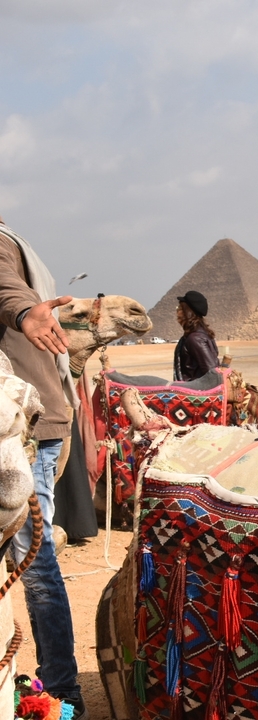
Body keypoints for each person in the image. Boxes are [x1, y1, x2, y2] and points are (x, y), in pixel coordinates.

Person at [0, 216, 87, 719]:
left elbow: (5, 288)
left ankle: (63, 692)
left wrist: (25, 312)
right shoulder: (22, 242)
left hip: (21, 431)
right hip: (39, 417)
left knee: (32, 563)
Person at [173, 289, 219, 381]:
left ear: (187, 312)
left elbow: (212, 372)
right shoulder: (198, 335)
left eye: (180, 308)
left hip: (195, 391)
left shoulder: (195, 338)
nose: (177, 312)